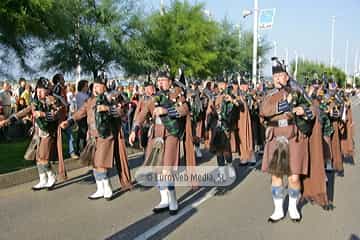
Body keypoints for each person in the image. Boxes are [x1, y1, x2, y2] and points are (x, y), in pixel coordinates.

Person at [129, 66, 196, 215]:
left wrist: (166, 111)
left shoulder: (176, 93)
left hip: (171, 134)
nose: (160, 83)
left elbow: (184, 109)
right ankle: (164, 199)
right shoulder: (154, 97)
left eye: (163, 80)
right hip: (156, 136)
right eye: (158, 80)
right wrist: (134, 129)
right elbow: (143, 113)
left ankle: (173, 200)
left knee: (167, 170)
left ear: (170, 81)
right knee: (158, 169)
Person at [60, 73, 132, 200]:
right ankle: (100, 189)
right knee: (95, 163)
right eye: (95, 85)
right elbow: (80, 113)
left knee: (100, 162)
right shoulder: (90, 100)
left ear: (104, 87)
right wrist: (69, 121)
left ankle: (107, 187)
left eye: (99, 86)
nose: (95, 88)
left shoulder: (112, 98)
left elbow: (122, 112)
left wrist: (108, 109)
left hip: (105, 134)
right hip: (92, 136)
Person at [260, 57, 315, 223]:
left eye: (281, 75)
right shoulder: (268, 95)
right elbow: (264, 111)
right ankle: (278, 210)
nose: (277, 79)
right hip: (275, 138)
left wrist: (302, 110)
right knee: (276, 177)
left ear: (287, 76)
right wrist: (281, 106)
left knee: (294, 177)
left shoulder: (297, 92)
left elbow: (312, 108)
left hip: (294, 138)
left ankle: (292, 207)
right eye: (275, 76)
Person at [0, 77, 67, 190]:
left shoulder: (53, 100)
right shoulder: (35, 102)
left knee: (44, 157)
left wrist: (43, 114)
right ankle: (42, 180)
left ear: (48, 90)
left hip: (48, 133)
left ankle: (51, 177)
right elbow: (22, 112)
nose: (39, 92)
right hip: (37, 133)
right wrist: (6, 121)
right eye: (38, 89)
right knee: (38, 158)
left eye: (42, 89)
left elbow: (57, 114)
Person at [75, 80, 89, 154]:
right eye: (86, 86)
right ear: (82, 87)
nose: (87, 87)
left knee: (83, 132)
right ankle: (81, 150)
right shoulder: (80, 94)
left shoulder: (85, 94)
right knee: (82, 133)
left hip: (85, 115)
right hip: (82, 115)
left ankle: (81, 149)